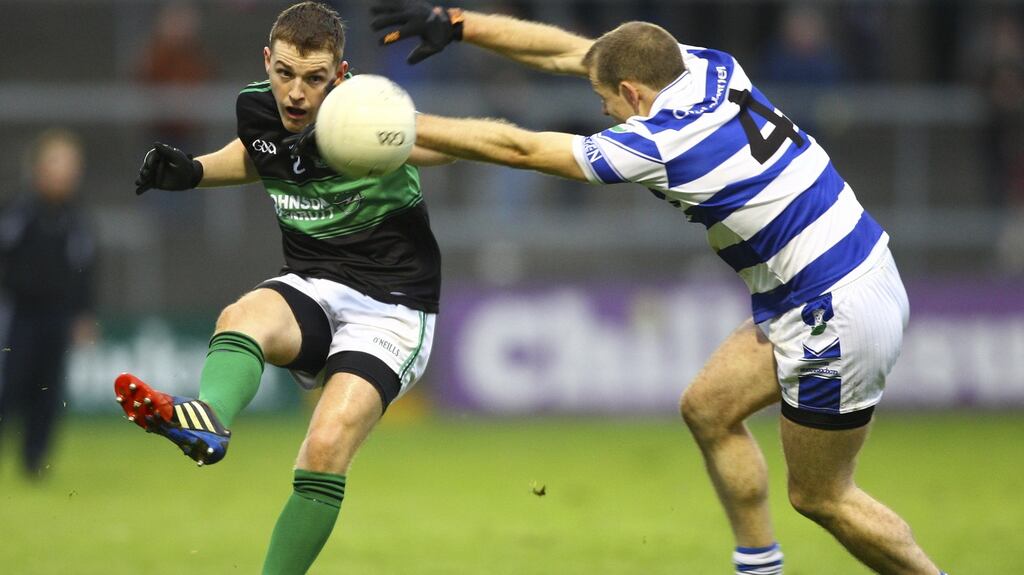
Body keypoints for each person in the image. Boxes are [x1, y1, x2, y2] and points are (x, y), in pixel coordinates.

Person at [371, 3, 948, 574]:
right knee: (708, 409)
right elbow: (569, 53)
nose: (605, 113)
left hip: (832, 308)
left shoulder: (662, 142)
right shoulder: (706, 66)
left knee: (823, 495)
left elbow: (520, 149)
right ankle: (760, 567)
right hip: (846, 268)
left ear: (634, 93)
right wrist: (459, 24)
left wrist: (386, 123)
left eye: (607, 104)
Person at [115, 3, 450, 573]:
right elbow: (259, 155)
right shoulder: (255, 107)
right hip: (314, 281)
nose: (296, 93)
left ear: (339, 75)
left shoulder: (367, 117)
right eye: (285, 73)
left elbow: (442, 144)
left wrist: (510, 144)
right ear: (267, 61)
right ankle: (209, 420)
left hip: (394, 306)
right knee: (241, 316)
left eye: (315, 79)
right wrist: (194, 171)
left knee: (322, 451)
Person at [0, 129, 97, 480]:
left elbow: (85, 270)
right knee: (9, 387)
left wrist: (84, 314)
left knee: (48, 390)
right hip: (19, 315)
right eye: (59, 164)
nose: (67, 173)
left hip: (57, 318)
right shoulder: (18, 212)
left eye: (73, 166)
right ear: (40, 169)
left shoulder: (76, 220)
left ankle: (34, 462)